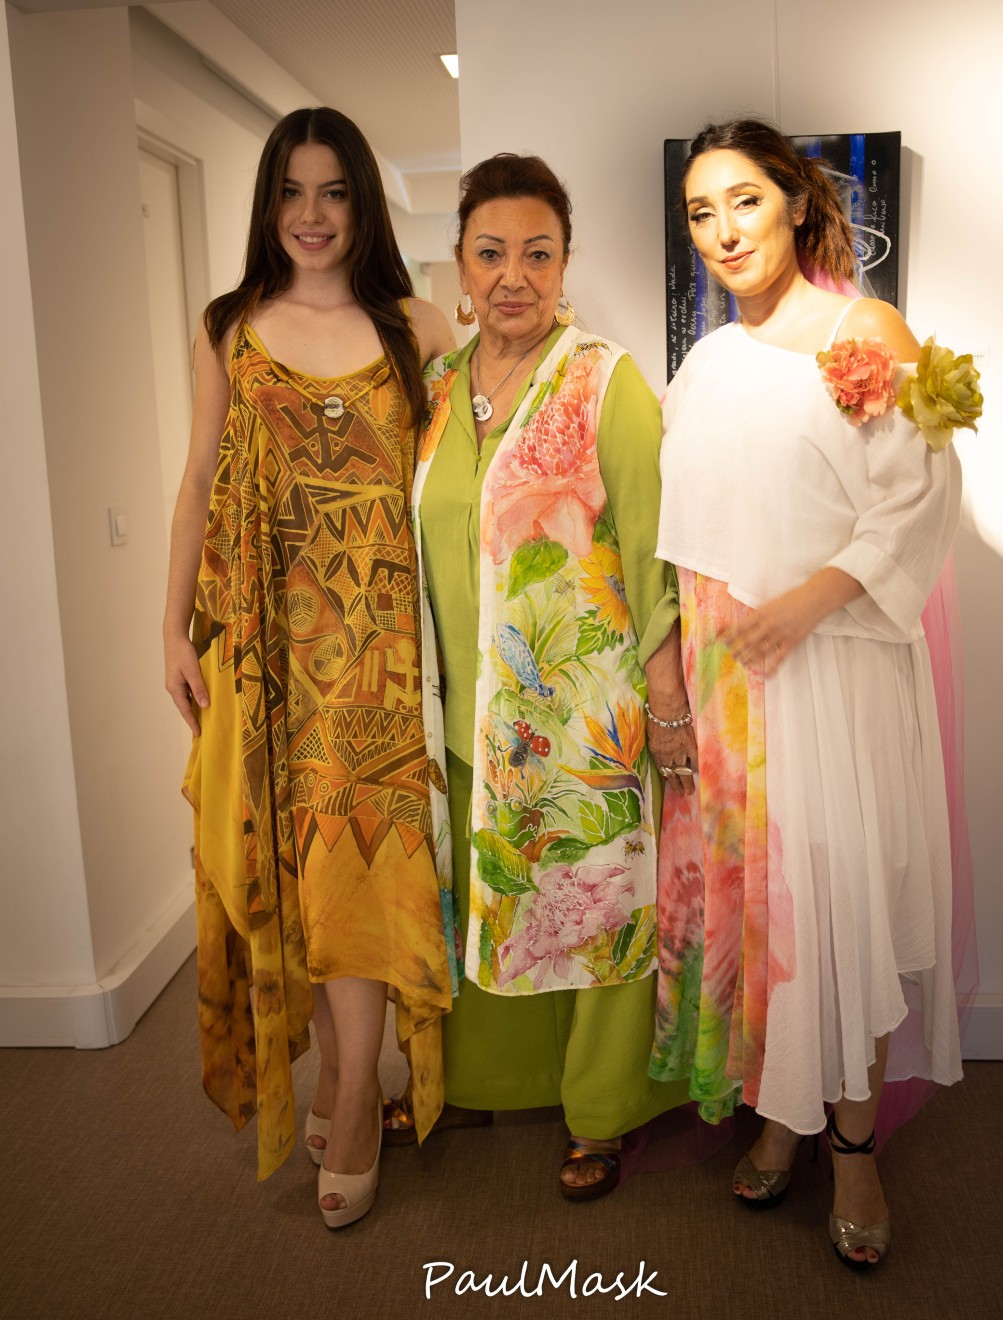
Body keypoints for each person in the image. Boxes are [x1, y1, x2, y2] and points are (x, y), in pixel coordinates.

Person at [652, 119, 979, 1268]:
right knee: (765, 915)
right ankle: (782, 1113)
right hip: (732, 684)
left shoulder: (864, 334)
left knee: (838, 911)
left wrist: (805, 602)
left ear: (795, 202)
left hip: (833, 673)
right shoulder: (704, 361)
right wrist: (676, 677)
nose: (723, 231)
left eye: (743, 200)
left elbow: (919, 501)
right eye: (701, 212)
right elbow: (682, 533)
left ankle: (852, 1148)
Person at [163, 106, 456, 1227]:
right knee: (296, 872)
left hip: (383, 657)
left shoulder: (417, 326)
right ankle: (348, 1077)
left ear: (362, 200)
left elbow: (469, 468)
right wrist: (171, 630)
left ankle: (350, 1086)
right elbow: (198, 480)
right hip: (264, 651)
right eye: (292, 190)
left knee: (357, 869)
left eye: (333, 191)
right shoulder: (230, 326)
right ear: (268, 203)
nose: (312, 214)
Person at [409, 153, 695, 1200]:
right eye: (491, 253)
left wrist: (668, 702)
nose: (513, 276)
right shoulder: (435, 392)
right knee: (489, 897)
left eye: (538, 253)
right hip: (462, 714)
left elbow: (655, 551)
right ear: (461, 264)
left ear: (566, 263)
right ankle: (491, 1082)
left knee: (595, 902)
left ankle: (601, 1115)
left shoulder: (605, 382)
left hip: (580, 716)